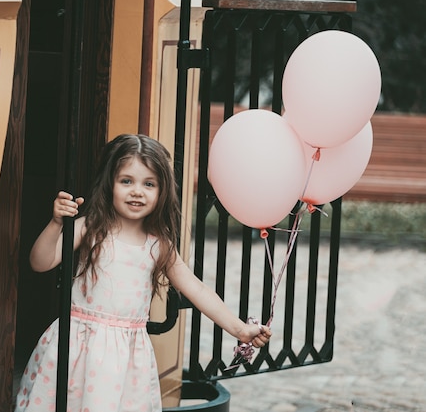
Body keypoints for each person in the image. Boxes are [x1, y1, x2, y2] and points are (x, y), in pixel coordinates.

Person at [15, 134, 271, 412]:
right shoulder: (91, 227)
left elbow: (196, 290)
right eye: (127, 181)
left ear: (162, 191)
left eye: (149, 184)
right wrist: (56, 224)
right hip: (77, 346)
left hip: (126, 360)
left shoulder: (158, 245)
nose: (137, 191)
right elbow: (40, 262)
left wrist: (240, 329)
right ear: (109, 184)